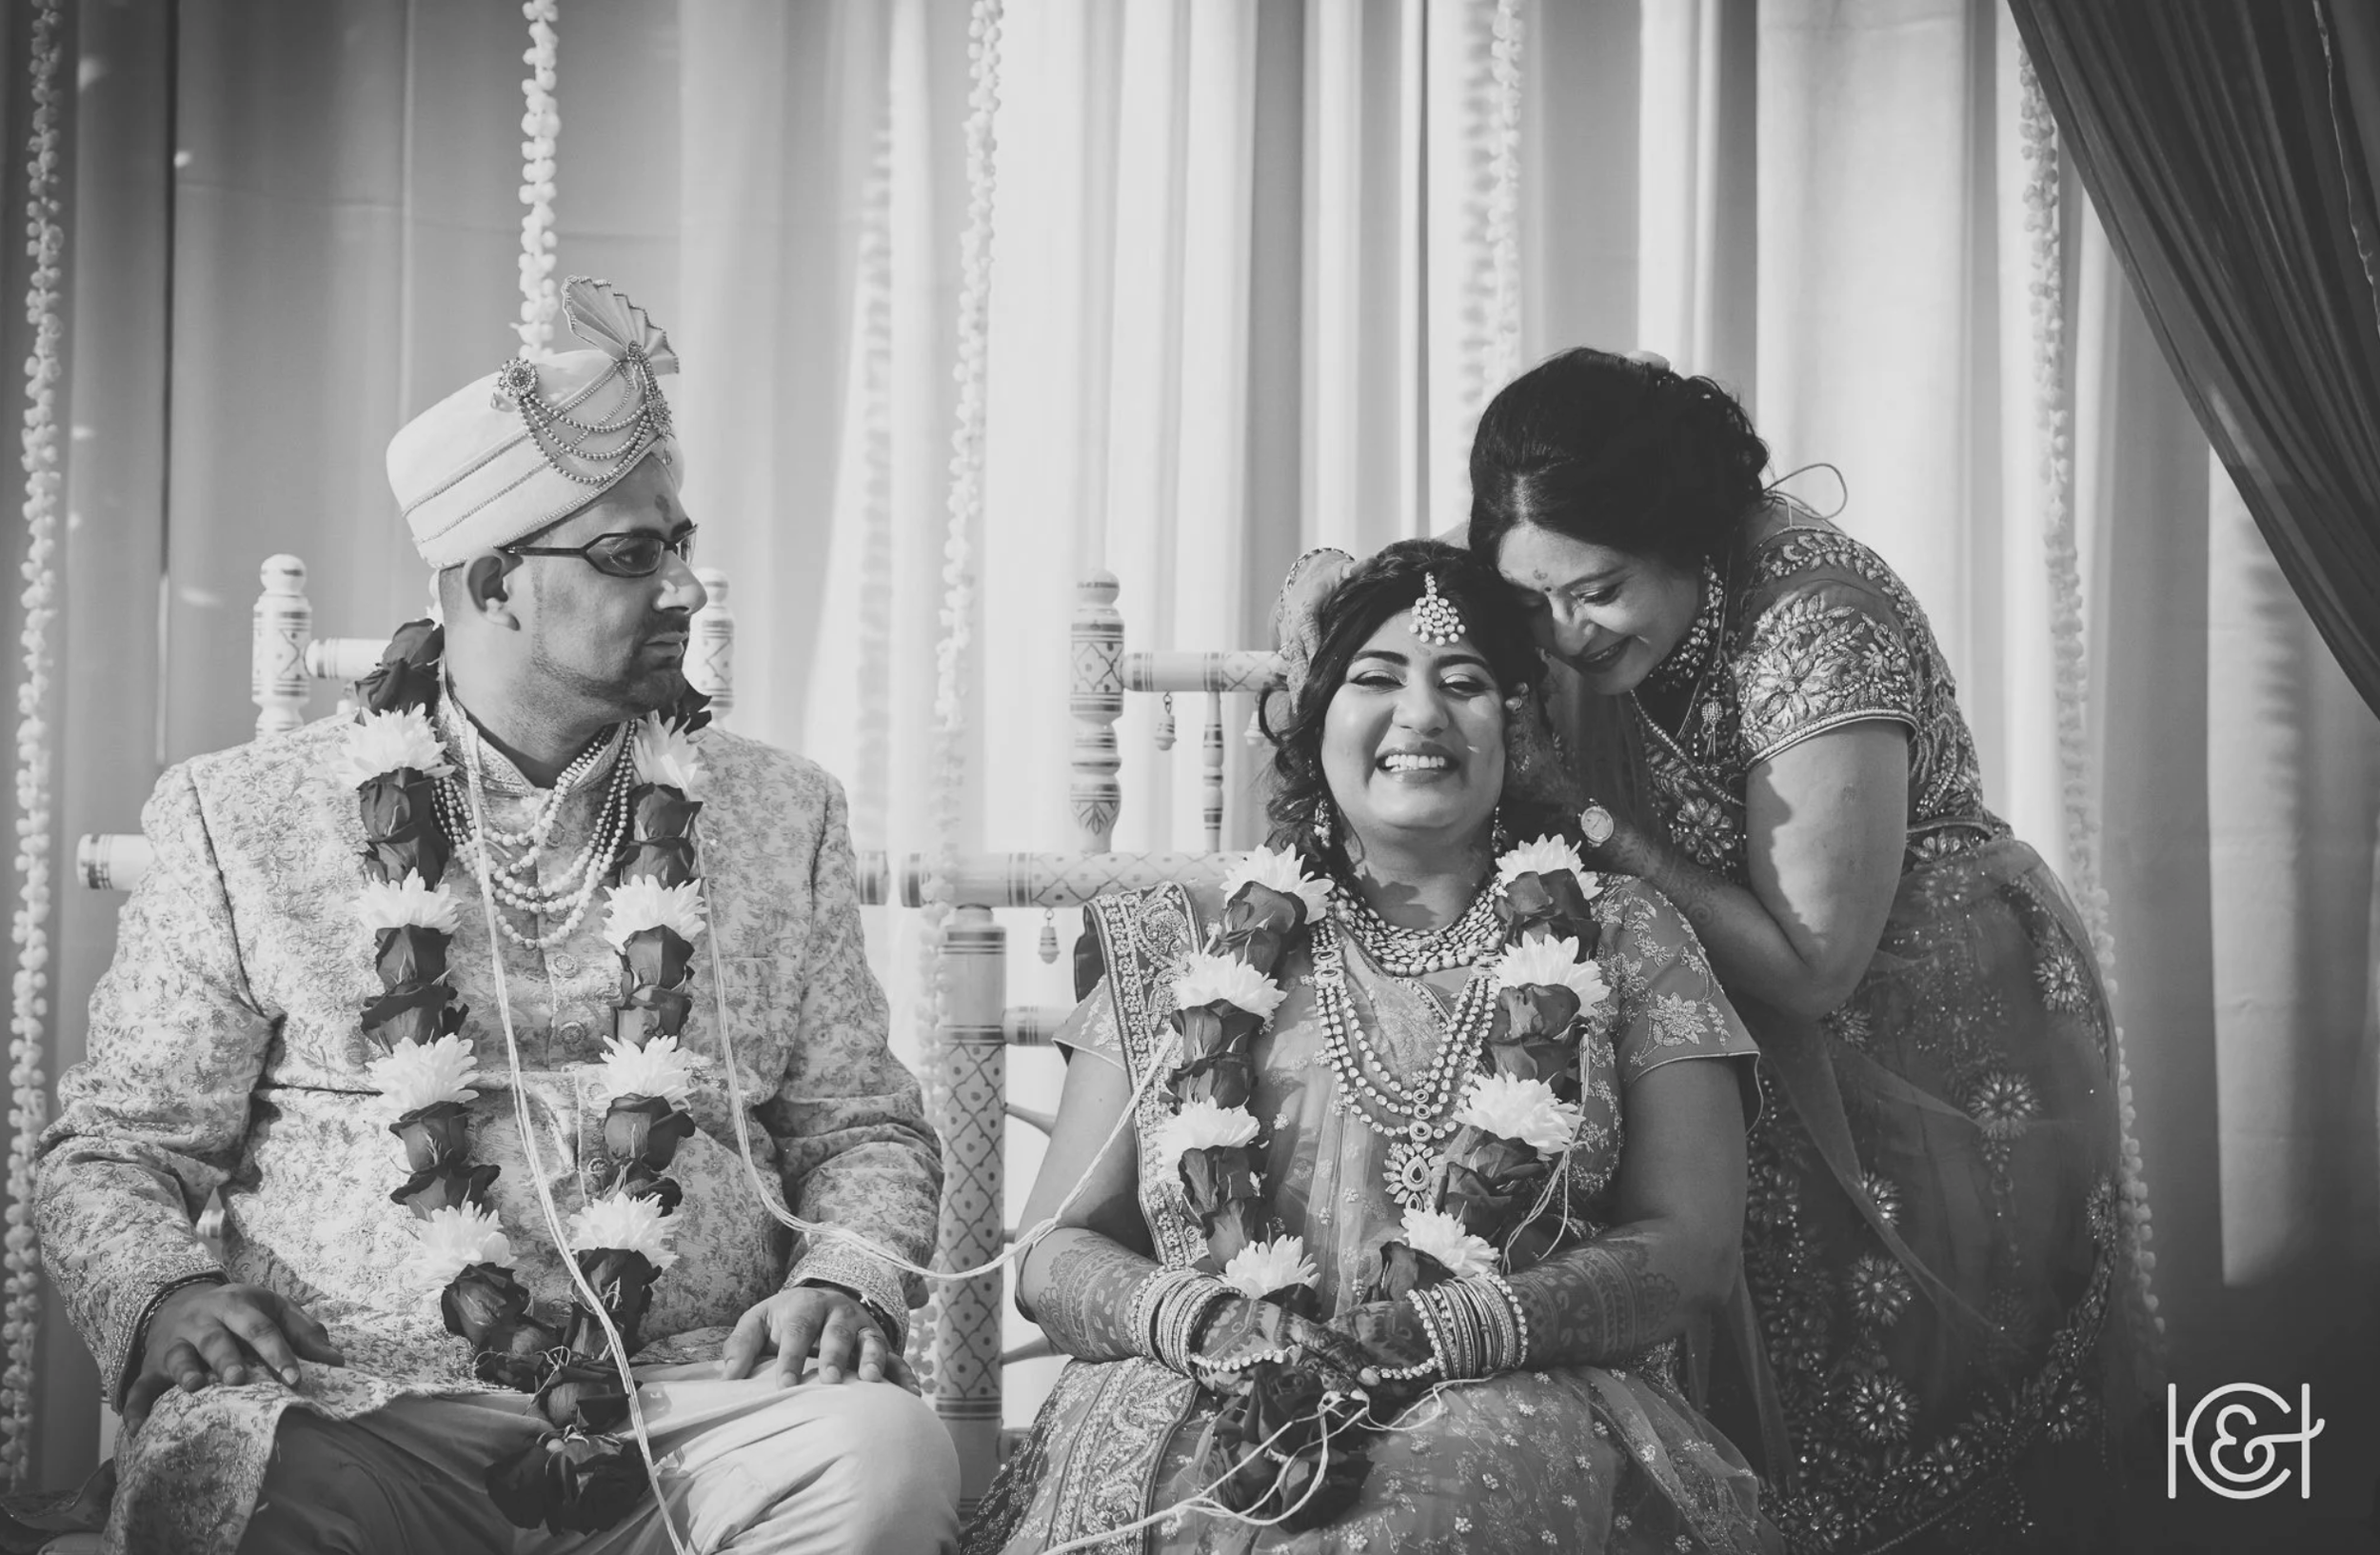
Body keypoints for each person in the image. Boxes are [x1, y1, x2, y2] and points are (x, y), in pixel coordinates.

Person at [35, 278, 960, 1554]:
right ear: (492, 582)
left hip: (688, 1410)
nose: (686, 586)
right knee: (228, 1481)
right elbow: (114, 1154)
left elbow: (866, 1129)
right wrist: (167, 1290)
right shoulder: (239, 817)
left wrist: (840, 1274)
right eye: (636, 556)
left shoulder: (779, 812)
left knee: (886, 1458)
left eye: (680, 543)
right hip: (361, 1414)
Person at [1467, 348, 2158, 1553]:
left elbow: (1812, 965)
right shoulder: (1603, 602)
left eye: (1598, 591)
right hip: (1772, 1038)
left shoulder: (1812, 624)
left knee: (1934, 1403)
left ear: (1681, 534)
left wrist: (1582, 813)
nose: (1566, 636)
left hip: (1945, 1040)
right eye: (1535, 601)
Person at [966, 541, 1777, 1554]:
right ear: (1318, 719)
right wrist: (1205, 1324)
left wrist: (1461, 1327)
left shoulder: (1625, 934)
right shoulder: (1186, 940)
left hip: (1510, 1390)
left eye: (1465, 682)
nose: (1421, 716)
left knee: (1453, 1488)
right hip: (1201, 1385)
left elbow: (1693, 1247)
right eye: (1376, 679)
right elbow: (1050, 1251)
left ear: (1519, 725)